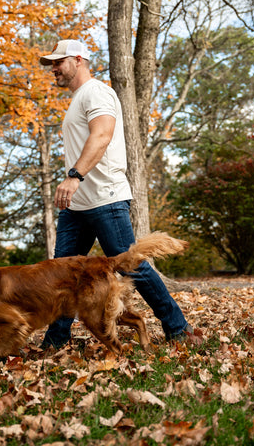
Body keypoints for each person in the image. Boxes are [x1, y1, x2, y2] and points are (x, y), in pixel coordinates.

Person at [39, 39, 194, 349]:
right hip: (78, 207)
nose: (53, 68)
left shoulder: (97, 92)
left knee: (131, 264)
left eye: (58, 62)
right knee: (63, 277)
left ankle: (179, 329)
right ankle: (55, 343)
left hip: (105, 199)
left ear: (78, 60)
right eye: (51, 64)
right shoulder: (78, 99)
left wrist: (74, 176)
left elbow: (103, 135)